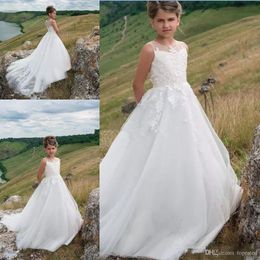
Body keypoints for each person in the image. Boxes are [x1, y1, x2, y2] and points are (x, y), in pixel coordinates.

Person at [100, 1, 243, 260]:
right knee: (158, 158)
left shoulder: (183, 47)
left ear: (178, 20)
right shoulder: (149, 49)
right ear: (152, 22)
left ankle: (194, 206)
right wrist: (147, 111)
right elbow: (137, 83)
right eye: (160, 20)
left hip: (185, 105)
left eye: (170, 20)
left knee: (191, 152)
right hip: (159, 107)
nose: (166, 25)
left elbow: (181, 79)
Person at [0, 136, 83, 252]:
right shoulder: (44, 161)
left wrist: (56, 180)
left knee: (60, 204)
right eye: (49, 148)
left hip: (58, 184)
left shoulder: (58, 160)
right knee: (45, 206)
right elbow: (39, 175)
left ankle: (59, 225)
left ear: (56, 148)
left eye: (53, 148)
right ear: (45, 149)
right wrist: (43, 184)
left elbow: (57, 173)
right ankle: (44, 226)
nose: (51, 151)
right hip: (48, 184)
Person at [6, 6, 71, 98]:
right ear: (49, 14)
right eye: (54, 13)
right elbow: (57, 31)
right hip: (53, 38)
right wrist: (59, 32)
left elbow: (49, 30)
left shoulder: (46, 21)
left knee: (46, 53)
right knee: (55, 53)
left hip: (47, 36)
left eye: (55, 13)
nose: (55, 14)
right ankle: (53, 70)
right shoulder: (53, 21)